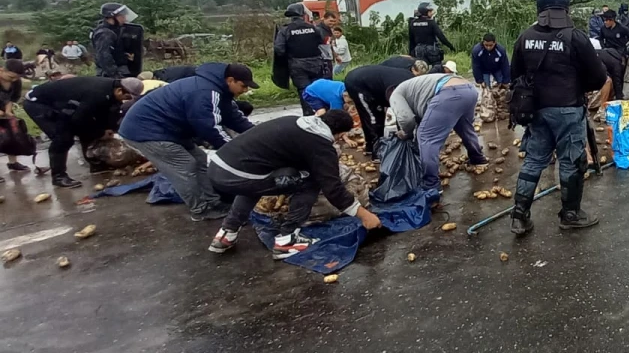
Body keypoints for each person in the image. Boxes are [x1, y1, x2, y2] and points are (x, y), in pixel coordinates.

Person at [207, 110, 382, 259]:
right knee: (310, 181)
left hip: (218, 168)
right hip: (238, 174)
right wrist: (363, 215)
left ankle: (226, 233)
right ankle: (287, 239)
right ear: (338, 133)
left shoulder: (296, 122)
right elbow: (332, 188)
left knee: (253, 185)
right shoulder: (320, 145)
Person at [509, 0, 608, 235]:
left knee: (533, 161)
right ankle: (570, 214)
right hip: (568, 109)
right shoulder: (576, 37)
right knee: (571, 163)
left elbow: (515, 75)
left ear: (539, 5)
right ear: (565, 5)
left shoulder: (525, 37)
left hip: (536, 111)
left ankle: (519, 217)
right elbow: (599, 78)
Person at [119, 63, 257, 220]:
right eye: (243, 86)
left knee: (200, 160)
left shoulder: (220, 92)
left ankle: (214, 203)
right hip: (145, 130)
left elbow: (235, 119)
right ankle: (200, 210)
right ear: (230, 80)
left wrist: (262, 136)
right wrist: (234, 152)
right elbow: (210, 128)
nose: (245, 90)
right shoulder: (206, 92)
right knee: (185, 166)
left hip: (170, 129)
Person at [23, 75, 141, 188]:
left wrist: (107, 129)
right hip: (38, 103)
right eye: (127, 98)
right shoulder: (97, 93)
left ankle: (96, 164)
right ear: (120, 91)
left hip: (66, 104)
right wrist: (99, 133)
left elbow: (104, 113)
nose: (126, 101)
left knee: (89, 128)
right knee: (63, 138)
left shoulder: (110, 91)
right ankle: (58, 176)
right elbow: (79, 119)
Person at [390, 73, 487, 193]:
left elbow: (407, 119)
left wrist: (406, 133)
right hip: (469, 90)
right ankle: (478, 159)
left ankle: (431, 184)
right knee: (464, 127)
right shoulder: (413, 88)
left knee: (426, 137)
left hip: (449, 93)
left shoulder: (395, 95)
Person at [345, 64, 415, 155]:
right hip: (359, 83)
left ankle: (375, 146)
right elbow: (404, 114)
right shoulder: (407, 88)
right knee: (372, 117)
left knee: (378, 115)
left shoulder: (412, 83)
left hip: (377, 87)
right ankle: (375, 150)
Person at [274, 3, 325, 115]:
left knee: (304, 90)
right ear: (302, 14)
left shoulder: (285, 30)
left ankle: (308, 115)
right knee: (318, 89)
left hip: (297, 65)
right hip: (316, 63)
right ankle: (323, 114)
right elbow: (321, 40)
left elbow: (279, 49)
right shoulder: (313, 28)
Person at [0, 60, 32, 178]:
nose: (14, 80)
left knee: (12, 135)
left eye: (16, 77)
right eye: (11, 77)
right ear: (2, 70)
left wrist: (8, 111)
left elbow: (12, 98)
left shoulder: (16, 82)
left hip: (3, 109)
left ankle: (13, 163)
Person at [92, 3, 138, 77]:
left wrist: (122, 55)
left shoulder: (115, 30)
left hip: (119, 69)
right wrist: (116, 76)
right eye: (122, 16)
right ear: (112, 17)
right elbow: (104, 56)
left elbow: (113, 50)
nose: (125, 19)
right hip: (110, 74)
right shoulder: (105, 33)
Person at [408, 2, 455, 66]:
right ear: (426, 12)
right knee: (437, 67)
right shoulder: (431, 22)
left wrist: (410, 53)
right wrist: (450, 46)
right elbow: (441, 36)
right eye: (430, 11)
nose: (431, 13)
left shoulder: (412, 23)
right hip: (432, 50)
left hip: (419, 51)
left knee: (421, 68)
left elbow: (411, 40)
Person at [315, 11, 338, 77]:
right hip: (322, 60)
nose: (332, 23)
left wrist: (335, 55)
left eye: (334, 21)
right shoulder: (319, 30)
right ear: (324, 19)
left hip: (328, 58)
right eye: (330, 21)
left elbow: (329, 44)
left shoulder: (328, 30)